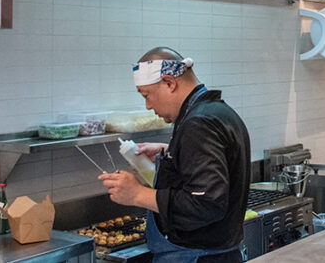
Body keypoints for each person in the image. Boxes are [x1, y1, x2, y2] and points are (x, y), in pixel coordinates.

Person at [99, 47, 251, 263]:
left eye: (147, 95)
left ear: (169, 82)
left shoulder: (198, 124)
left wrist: (137, 194)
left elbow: (206, 203)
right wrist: (171, 152)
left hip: (196, 256)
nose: (148, 106)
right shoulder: (217, 111)